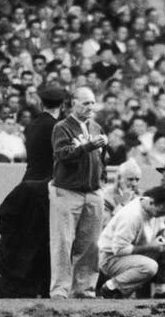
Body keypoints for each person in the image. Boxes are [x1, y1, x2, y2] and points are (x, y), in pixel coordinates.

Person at [49, 86, 107, 299]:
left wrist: (102, 179)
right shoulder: (62, 127)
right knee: (63, 243)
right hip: (67, 191)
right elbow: (61, 154)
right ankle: (60, 290)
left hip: (92, 192)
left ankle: (84, 289)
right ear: (73, 104)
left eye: (92, 102)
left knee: (91, 244)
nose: (90, 107)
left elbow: (101, 158)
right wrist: (87, 146)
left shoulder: (96, 127)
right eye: (85, 103)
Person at [98, 186, 165, 299]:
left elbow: (160, 228)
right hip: (111, 258)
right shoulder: (131, 216)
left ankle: (162, 290)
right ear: (151, 202)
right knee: (150, 267)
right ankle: (111, 288)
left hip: (133, 254)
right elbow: (119, 249)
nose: (161, 216)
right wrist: (150, 247)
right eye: (160, 212)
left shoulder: (155, 209)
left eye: (164, 213)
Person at [0, 180, 51, 298]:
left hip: (35, 255)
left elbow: (4, 215)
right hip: (16, 253)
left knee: (41, 292)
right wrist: (13, 242)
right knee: (25, 293)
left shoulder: (32, 189)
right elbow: (4, 215)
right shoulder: (30, 189)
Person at [22, 85, 64, 181]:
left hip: (29, 179)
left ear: (41, 104)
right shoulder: (58, 127)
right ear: (62, 106)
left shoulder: (31, 125)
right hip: (48, 182)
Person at [102, 159, 143, 226]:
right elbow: (107, 225)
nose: (134, 184)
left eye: (137, 179)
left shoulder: (141, 196)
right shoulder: (106, 196)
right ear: (119, 178)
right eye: (130, 179)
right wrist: (123, 203)